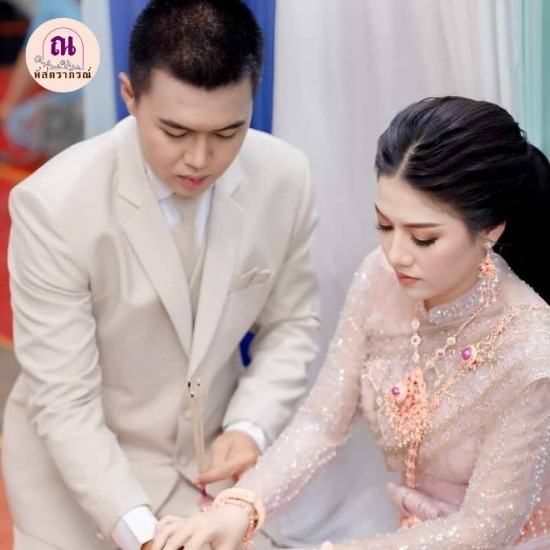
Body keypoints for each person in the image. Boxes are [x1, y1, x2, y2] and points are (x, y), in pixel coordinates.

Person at [153, 96, 550, 550]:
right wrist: (240, 507)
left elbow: (485, 528)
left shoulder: (529, 349)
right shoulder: (379, 280)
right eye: (385, 226)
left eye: (423, 238)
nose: (396, 255)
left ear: (491, 229)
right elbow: (322, 422)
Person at [3, 0, 320, 548]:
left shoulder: (285, 178)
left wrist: (249, 425)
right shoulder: (52, 206)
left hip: (205, 473)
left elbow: (292, 325)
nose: (199, 159)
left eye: (228, 132)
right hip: (73, 485)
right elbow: (64, 404)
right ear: (129, 95)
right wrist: (145, 536)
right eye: (174, 131)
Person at [0, 0, 83, 162]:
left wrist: (8, 107)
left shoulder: (54, 5)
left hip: (75, 107)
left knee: (18, 120)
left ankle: (48, 160)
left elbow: (31, 58)